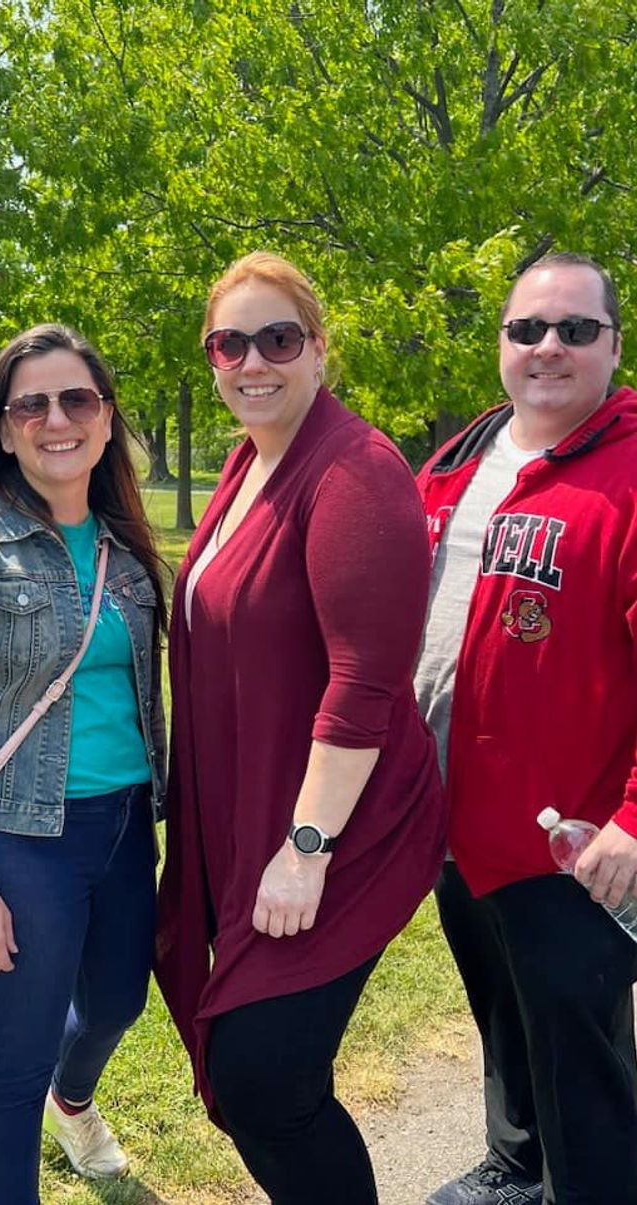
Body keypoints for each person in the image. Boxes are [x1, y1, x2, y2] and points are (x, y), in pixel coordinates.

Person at [155, 251, 446, 1204]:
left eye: (277, 338)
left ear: (318, 349)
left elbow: (365, 681)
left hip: (333, 831)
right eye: (228, 342)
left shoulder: (355, 470)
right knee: (258, 1078)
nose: (252, 361)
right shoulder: (249, 459)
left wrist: (306, 845)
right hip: (253, 817)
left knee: (264, 1077)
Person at [0, 324, 166, 1204]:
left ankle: (75, 1096)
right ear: (7, 429)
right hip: (17, 842)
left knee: (120, 1002)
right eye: (33, 405)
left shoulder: (128, 551)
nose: (58, 419)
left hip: (124, 829)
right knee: (13, 1058)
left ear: (105, 418)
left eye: (76, 400)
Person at [415, 252, 637, 1205]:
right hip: (451, 819)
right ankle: (516, 1165)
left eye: (574, 329)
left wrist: (633, 819)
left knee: (576, 1040)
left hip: (574, 837)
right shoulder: (462, 457)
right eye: (526, 329)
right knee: (501, 1009)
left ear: (613, 346)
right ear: (500, 341)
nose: (548, 347)